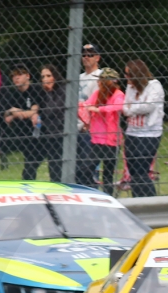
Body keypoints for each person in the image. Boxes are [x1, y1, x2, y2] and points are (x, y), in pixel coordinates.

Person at [123, 59, 164, 197]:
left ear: (136, 75)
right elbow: (124, 106)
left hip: (149, 134)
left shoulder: (154, 86)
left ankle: (151, 203)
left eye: (128, 74)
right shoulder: (130, 87)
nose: (125, 77)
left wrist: (131, 109)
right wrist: (132, 109)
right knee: (133, 173)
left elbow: (148, 106)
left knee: (141, 171)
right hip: (131, 133)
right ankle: (138, 202)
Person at [79, 68, 124, 195]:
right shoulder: (98, 94)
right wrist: (85, 109)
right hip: (97, 139)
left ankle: (107, 196)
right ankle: (92, 191)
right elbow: (87, 104)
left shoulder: (118, 94)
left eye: (101, 81)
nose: (99, 83)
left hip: (111, 141)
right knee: (86, 168)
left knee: (108, 174)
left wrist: (99, 110)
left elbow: (117, 107)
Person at [0, 65, 44, 181]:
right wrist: (15, 113)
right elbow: (6, 115)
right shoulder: (14, 94)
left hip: (39, 133)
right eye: (13, 76)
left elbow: (32, 111)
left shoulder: (36, 90)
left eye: (19, 75)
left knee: (30, 167)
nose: (16, 78)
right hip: (23, 134)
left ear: (27, 76)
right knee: (28, 165)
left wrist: (15, 112)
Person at [75, 43, 104, 186]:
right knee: (77, 170)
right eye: (84, 54)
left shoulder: (100, 77)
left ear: (97, 58)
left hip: (91, 130)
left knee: (89, 171)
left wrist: (89, 124)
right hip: (76, 128)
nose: (86, 57)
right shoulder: (79, 77)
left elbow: (99, 104)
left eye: (90, 54)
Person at [38, 64, 67, 183]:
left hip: (62, 133)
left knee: (61, 167)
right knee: (53, 168)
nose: (45, 79)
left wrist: (49, 92)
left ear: (55, 76)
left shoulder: (63, 89)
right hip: (50, 134)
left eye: (48, 75)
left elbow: (51, 110)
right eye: (43, 76)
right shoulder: (43, 92)